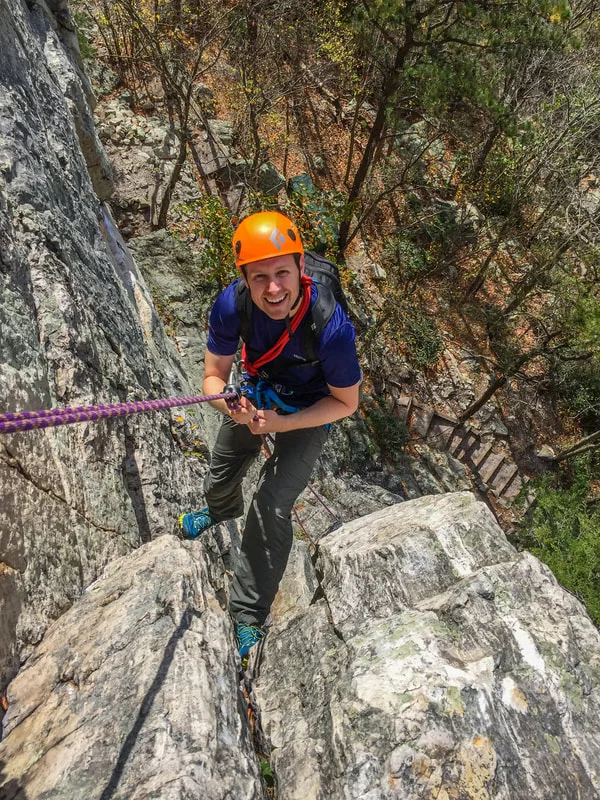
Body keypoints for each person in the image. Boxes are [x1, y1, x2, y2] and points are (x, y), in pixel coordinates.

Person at [179, 210, 361, 659]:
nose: (273, 288)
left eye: (282, 272)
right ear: (244, 278)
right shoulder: (231, 305)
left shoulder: (330, 327)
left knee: (272, 503)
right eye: (259, 277)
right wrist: (232, 408)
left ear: (301, 267)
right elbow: (212, 377)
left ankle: (247, 613)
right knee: (221, 472)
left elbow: (346, 403)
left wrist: (281, 424)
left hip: (308, 408)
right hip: (256, 393)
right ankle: (220, 510)